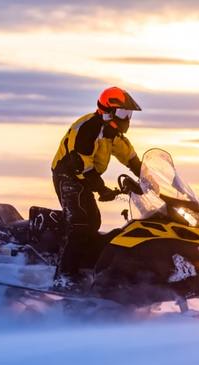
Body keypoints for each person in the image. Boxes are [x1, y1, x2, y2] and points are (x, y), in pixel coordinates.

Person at [50, 86, 142, 287]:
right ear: (108, 111)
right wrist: (102, 189)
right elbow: (82, 166)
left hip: (84, 177)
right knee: (80, 223)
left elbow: (131, 158)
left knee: (94, 221)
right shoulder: (89, 129)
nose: (127, 119)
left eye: (129, 114)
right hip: (68, 175)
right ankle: (64, 276)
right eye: (123, 113)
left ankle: (87, 268)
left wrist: (149, 178)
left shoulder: (112, 134)